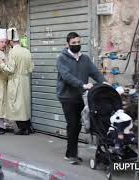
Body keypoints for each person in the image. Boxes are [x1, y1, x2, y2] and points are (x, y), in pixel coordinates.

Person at [56, 32, 106, 164]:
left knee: (78, 125)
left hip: (81, 96)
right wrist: (83, 84)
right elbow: (66, 77)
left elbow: (95, 72)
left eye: (78, 43)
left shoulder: (85, 59)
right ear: (67, 44)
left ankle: (71, 152)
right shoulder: (62, 58)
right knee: (73, 124)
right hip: (67, 96)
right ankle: (71, 154)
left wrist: (105, 83)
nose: (76, 45)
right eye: (73, 43)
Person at [0, 28, 34, 135]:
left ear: (10, 42)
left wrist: (2, 65)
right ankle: (28, 126)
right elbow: (31, 68)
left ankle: (24, 128)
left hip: (15, 80)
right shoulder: (27, 51)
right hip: (25, 80)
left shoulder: (12, 52)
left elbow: (10, 69)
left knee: (17, 106)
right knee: (24, 105)